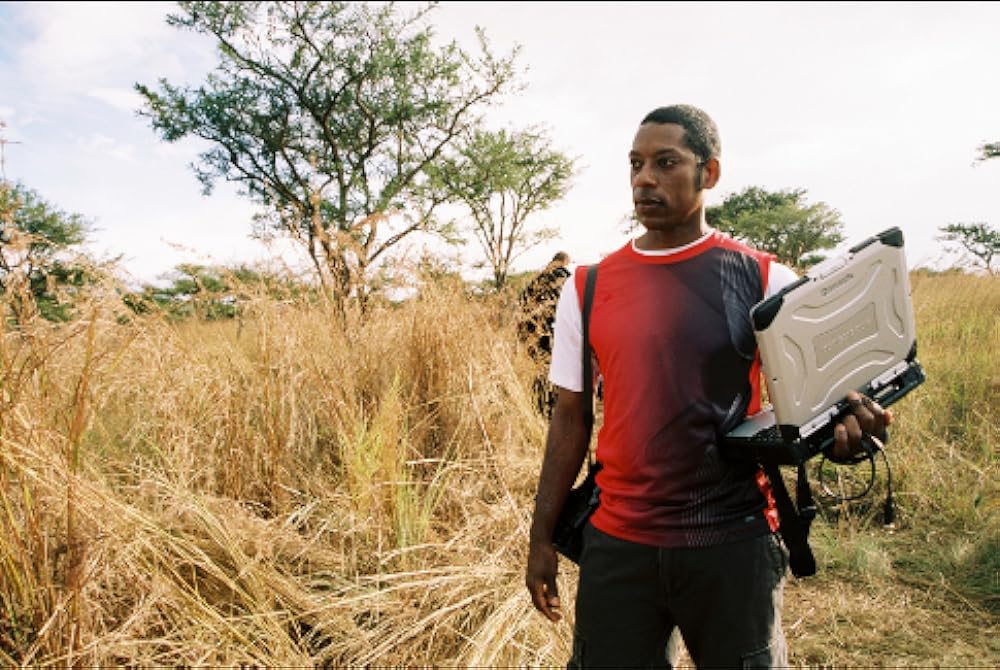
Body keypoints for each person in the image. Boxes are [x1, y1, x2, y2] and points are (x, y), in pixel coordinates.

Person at [524, 104, 893, 668]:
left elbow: (822, 403)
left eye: (665, 162)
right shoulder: (587, 288)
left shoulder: (766, 279)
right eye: (635, 164)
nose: (644, 179)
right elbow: (570, 419)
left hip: (733, 540)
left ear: (709, 174)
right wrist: (540, 537)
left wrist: (851, 431)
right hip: (619, 546)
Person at [516, 251, 572, 417]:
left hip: (533, 335)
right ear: (565, 262)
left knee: (540, 371)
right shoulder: (564, 277)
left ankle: (539, 408)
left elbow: (521, 306)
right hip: (555, 333)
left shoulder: (535, 280)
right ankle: (554, 410)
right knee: (558, 372)